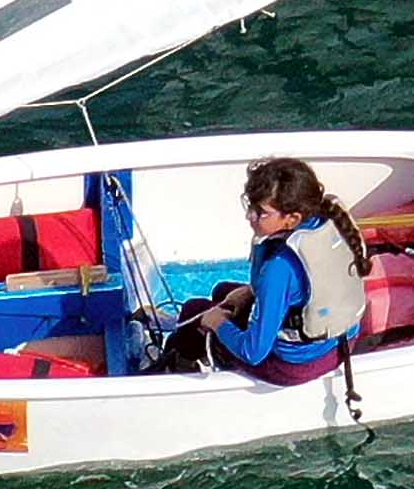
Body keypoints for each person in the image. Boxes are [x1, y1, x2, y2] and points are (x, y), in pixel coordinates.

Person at [154, 156, 372, 382]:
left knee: (194, 310)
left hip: (294, 366)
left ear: (291, 218)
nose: (250, 216)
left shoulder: (278, 269)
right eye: (250, 206)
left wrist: (217, 322)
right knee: (223, 291)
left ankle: (174, 369)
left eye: (261, 212)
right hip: (339, 342)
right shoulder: (325, 221)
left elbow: (253, 352)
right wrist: (250, 291)